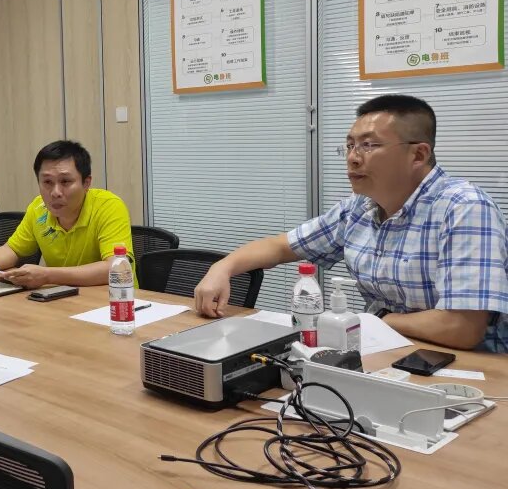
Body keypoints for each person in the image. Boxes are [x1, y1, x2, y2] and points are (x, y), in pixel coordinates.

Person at [194, 94, 508, 352]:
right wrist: (222, 268)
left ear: (418, 155)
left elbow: (461, 327)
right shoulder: (359, 208)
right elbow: (280, 247)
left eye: (368, 146)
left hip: (471, 367)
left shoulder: (464, 208)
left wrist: (373, 320)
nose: (352, 158)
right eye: (350, 145)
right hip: (386, 350)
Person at [0, 139, 136, 289]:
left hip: (116, 301)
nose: (55, 192)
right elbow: (12, 249)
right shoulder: (38, 209)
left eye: (65, 181)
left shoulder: (108, 206)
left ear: (86, 183)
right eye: (47, 182)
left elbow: (116, 268)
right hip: (64, 299)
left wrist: (48, 275)